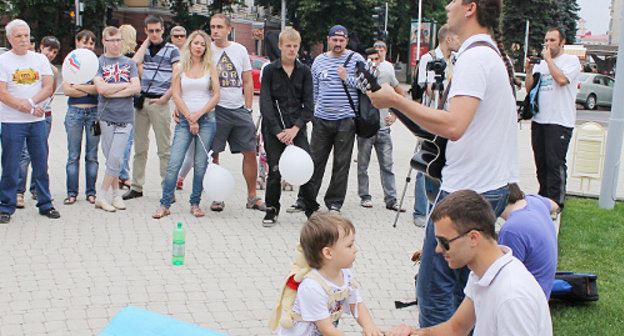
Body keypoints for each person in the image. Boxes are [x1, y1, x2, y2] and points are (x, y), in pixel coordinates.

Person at [367, 0, 518, 327]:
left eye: (454, 0)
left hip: (467, 194)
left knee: (435, 290)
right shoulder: (488, 54)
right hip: (484, 188)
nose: (447, 5)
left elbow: (454, 126)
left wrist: (395, 100)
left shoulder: (475, 58)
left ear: (470, 8)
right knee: (466, 292)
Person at [387, 190, 552, 336]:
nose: (438, 250)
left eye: (444, 242)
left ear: (473, 238)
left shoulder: (512, 297)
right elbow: (455, 329)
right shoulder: (482, 273)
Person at [277, 212, 383, 335]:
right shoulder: (312, 287)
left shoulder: (344, 274)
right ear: (328, 253)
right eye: (349, 245)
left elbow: (356, 303)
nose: (356, 249)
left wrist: (368, 325)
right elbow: (327, 330)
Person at [152, 30, 220, 219]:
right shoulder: (180, 67)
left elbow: (216, 96)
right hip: (184, 120)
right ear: (190, 45)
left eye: (202, 44)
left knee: (200, 164)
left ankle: (195, 203)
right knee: (174, 162)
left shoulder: (210, 67)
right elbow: (176, 94)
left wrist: (198, 115)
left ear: (206, 47)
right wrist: (190, 117)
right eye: (196, 43)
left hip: (206, 120)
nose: (198, 47)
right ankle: (164, 204)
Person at [0, 19, 60, 223]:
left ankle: (45, 203)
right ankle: (6, 205)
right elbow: (2, 92)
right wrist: (21, 106)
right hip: (11, 121)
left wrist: (31, 103)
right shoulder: (3, 61)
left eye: (26, 35)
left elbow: (47, 86)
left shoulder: (39, 60)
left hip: (37, 120)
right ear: (9, 38)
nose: (24, 40)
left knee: (41, 163)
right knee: (10, 164)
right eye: (18, 36)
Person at [306, 25, 365, 215]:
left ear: (346, 41)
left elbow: (367, 85)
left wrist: (347, 78)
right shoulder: (318, 61)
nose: (338, 43)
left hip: (346, 119)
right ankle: (307, 199)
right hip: (321, 118)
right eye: (334, 40)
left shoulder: (356, 59)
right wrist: (311, 113)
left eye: (341, 40)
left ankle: (334, 202)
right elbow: (313, 89)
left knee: (341, 163)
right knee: (315, 161)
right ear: (328, 40)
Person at [209, 13, 265, 212]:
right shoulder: (207, 50)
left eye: (219, 27)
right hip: (216, 109)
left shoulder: (239, 50)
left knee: (250, 151)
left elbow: (248, 81)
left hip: (238, 109)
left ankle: (252, 197)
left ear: (228, 29)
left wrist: (248, 108)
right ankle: (217, 195)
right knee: (213, 154)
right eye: (212, 26)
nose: (215, 30)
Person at [259, 28, 314, 226]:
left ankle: (311, 208)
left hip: (296, 128)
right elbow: (265, 103)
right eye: (288, 46)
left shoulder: (305, 72)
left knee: (306, 168)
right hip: (274, 129)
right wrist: (278, 131)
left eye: (295, 46)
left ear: (299, 47)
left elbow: (309, 106)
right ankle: (271, 209)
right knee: (274, 170)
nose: (291, 50)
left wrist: (295, 129)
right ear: (280, 46)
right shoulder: (270, 71)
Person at [123, 15, 180, 200]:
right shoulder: (145, 48)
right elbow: (134, 62)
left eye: (157, 30)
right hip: (143, 101)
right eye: (151, 31)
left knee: (164, 148)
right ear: (146, 31)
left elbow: (177, 77)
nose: (155, 34)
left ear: (163, 30)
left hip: (160, 102)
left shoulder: (172, 50)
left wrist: (166, 97)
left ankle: (167, 188)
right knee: (140, 146)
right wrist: (147, 42)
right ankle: (137, 186)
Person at [525, 27, 580, 211]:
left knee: (554, 162)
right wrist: (528, 72)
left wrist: (548, 60)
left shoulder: (571, 61)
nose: (548, 44)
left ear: (562, 42)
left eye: (552, 40)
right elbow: (530, 89)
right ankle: (543, 198)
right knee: (540, 161)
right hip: (540, 119)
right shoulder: (541, 64)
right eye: (546, 40)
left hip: (560, 120)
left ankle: (556, 203)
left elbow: (562, 80)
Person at [412, 25, 460, 227]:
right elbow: (425, 89)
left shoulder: (457, 60)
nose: (460, 41)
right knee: (425, 162)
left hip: (450, 117)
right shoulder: (428, 58)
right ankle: (420, 210)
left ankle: (439, 210)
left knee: (445, 163)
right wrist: (433, 86)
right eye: (457, 38)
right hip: (431, 117)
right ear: (448, 39)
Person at [93, 26, 141, 212]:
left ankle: (101, 196)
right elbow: (101, 90)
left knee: (116, 159)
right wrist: (123, 86)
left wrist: (112, 89)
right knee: (110, 159)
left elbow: (136, 88)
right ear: (104, 42)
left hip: (125, 117)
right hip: (106, 117)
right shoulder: (100, 62)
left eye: (118, 40)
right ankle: (116, 195)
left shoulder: (129, 63)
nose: (115, 44)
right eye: (111, 40)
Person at [357, 45, 405, 212]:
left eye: (377, 59)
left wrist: (395, 115)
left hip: (383, 127)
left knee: (387, 165)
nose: (375, 63)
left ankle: (391, 199)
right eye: (371, 60)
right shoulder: (360, 76)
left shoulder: (387, 73)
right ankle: (364, 195)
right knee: (363, 164)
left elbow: (401, 94)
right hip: (366, 127)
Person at [16, 35, 61, 208]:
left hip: (45, 115)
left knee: (40, 152)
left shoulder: (53, 71)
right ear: (40, 47)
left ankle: (37, 189)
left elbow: (50, 92)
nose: (50, 54)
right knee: (24, 154)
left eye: (54, 52)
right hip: (26, 113)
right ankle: (19, 190)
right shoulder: (30, 65)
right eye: (49, 50)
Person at [499, 183, 558, 298]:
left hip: (525, 301)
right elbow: (555, 205)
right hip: (543, 290)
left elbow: (504, 278)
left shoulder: (511, 230)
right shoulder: (534, 201)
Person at [62, 29, 100, 205]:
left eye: (91, 43)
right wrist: (86, 87)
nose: (88, 46)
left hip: (94, 113)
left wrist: (78, 86)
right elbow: (67, 90)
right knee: (73, 155)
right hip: (74, 113)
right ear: (77, 42)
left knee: (92, 155)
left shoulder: (97, 64)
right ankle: (71, 192)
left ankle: (91, 192)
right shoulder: (71, 62)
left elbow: (98, 89)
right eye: (85, 42)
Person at [118, 24, 138, 190]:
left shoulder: (113, 57)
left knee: (116, 139)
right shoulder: (133, 59)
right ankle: (123, 174)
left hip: (113, 101)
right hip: (129, 102)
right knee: (127, 140)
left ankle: (119, 172)